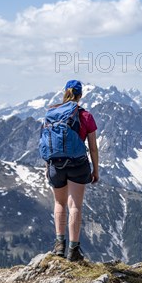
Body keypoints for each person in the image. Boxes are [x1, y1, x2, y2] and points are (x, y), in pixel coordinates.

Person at [45, 80, 99, 261]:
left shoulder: (51, 113)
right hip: (78, 164)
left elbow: (48, 143)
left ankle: (59, 245)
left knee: (59, 203)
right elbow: (93, 147)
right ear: (80, 95)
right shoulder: (86, 116)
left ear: (65, 93)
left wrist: (49, 167)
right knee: (74, 205)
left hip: (55, 165)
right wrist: (95, 170)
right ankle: (73, 250)